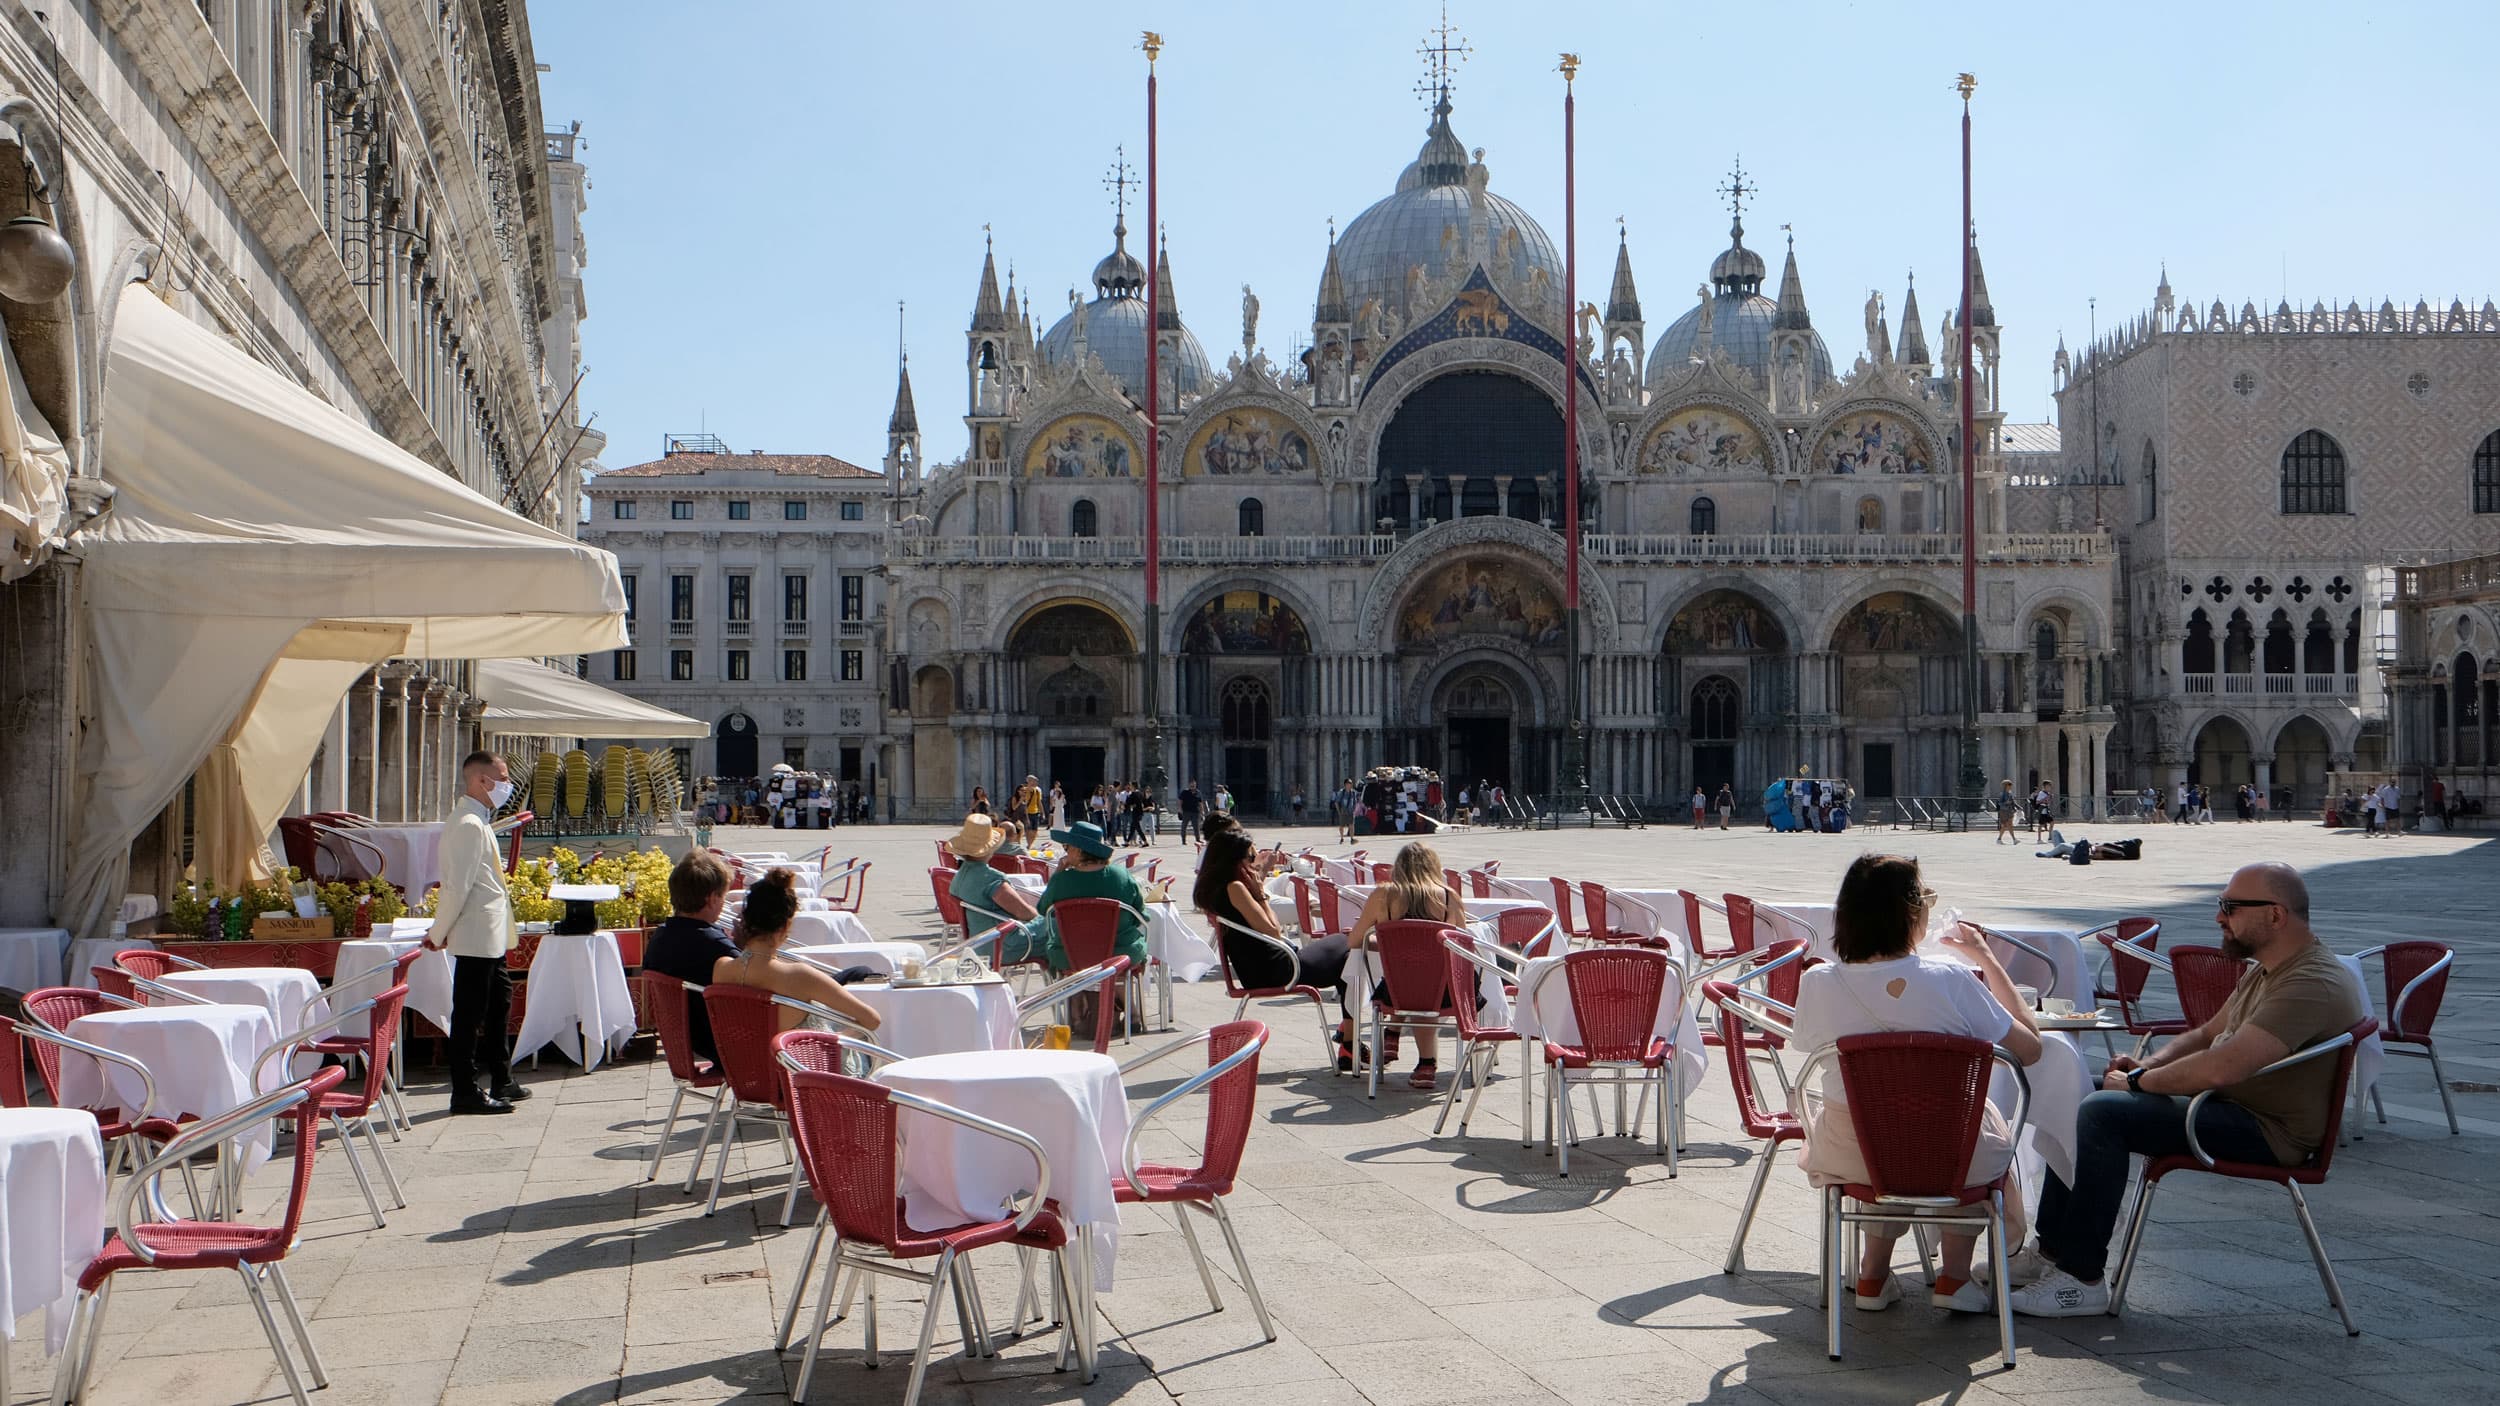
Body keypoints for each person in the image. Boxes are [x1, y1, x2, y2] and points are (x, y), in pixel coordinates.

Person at [2009, 862, 2366, 1316]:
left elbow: (2224, 1066)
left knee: (2103, 1113)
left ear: (2276, 915)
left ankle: (2081, 1278)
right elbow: (2204, 1035)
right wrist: (2147, 1065)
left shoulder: (2311, 982)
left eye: (2230, 907)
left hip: (2267, 1131)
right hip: (2228, 1106)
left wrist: (2137, 1082)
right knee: (2076, 1088)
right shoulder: (2269, 968)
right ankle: (2052, 1250)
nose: (2219, 917)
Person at [1788, 853, 2043, 1313]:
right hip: (1948, 1153)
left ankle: (1872, 1276)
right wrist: (1986, 956)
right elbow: (2030, 1048)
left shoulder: (1817, 982)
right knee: (1962, 1128)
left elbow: (1807, 1044)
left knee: (1884, 1126)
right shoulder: (1950, 979)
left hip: (1851, 1152)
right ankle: (1955, 1277)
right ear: (1910, 912)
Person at [1194, 825, 1352, 1064]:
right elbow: (1274, 931)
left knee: (1347, 949)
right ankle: (1349, 1043)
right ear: (1235, 859)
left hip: (1262, 967)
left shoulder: (1215, 888)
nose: (1253, 861)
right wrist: (1261, 895)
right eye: (1250, 856)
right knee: (1349, 948)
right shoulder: (1235, 888)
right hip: (1276, 970)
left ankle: (1348, 1039)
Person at [429, 752, 524, 1114]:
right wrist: (439, 932)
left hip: (491, 933)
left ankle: (501, 1076)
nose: (506, 785)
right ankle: (465, 1090)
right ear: (480, 780)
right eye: (500, 778)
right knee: (469, 1014)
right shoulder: (468, 822)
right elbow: (457, 887)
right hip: (475, 933)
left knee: (499, 1003)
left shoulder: (479, 818)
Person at [1346, 841, 1467, 1090]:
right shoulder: (1448, 896)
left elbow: (1354, 940)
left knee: (1407, 980)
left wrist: (1387, 941)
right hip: (1441, 991)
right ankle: (1426, 1064)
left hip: (1396, 989)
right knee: (1431, 981)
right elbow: (1463, 944)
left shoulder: (1383, 895)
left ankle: (1393, 1032)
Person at [710, 870, 884, 1034]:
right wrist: (836, 1041)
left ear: (745, 920)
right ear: (786, 925)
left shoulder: (721, 968)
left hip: (744, 1062)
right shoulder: (800, 976)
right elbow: (872, 1020)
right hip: (804, 1064)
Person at [641, 849, 742, 1062]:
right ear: (712, 899)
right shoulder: (714, 945)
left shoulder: (659, 937)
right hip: (722, 1045)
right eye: (723, 896)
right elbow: (754, 978)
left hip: (681, 1042)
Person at [1037, 821, 1151, 982]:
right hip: (1120, 953)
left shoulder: (1061, 880)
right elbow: (1142, 916)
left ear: (1077, 850)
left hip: (1070, 954)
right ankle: (1119, 997)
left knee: (1065, 955)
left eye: (1066, 847)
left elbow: (1043, 909)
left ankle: (1076, 1001)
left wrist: (1058, 873)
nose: (1065, 852)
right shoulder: (1122, 876)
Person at [943, 814, 1044, 957]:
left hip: (978, 942)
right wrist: (1044, 919)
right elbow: (1024, 912)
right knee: (1056, 929)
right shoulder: (991, 878)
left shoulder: (958, 876)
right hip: (1003, 944)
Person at [1994, 779, 2020, 844]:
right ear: (2006, 786)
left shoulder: (2010, 793)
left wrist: (2018, 807)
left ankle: (2001, 839)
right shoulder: (2002, 794)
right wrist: (2006, 802)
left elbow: (2013, 802)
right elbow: (2000, 803)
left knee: (2007, 825)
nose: (2011, 786)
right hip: (2004, 811)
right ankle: (2013, 839)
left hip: (2009, 811)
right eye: (2009, 785)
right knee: (2007, 825)